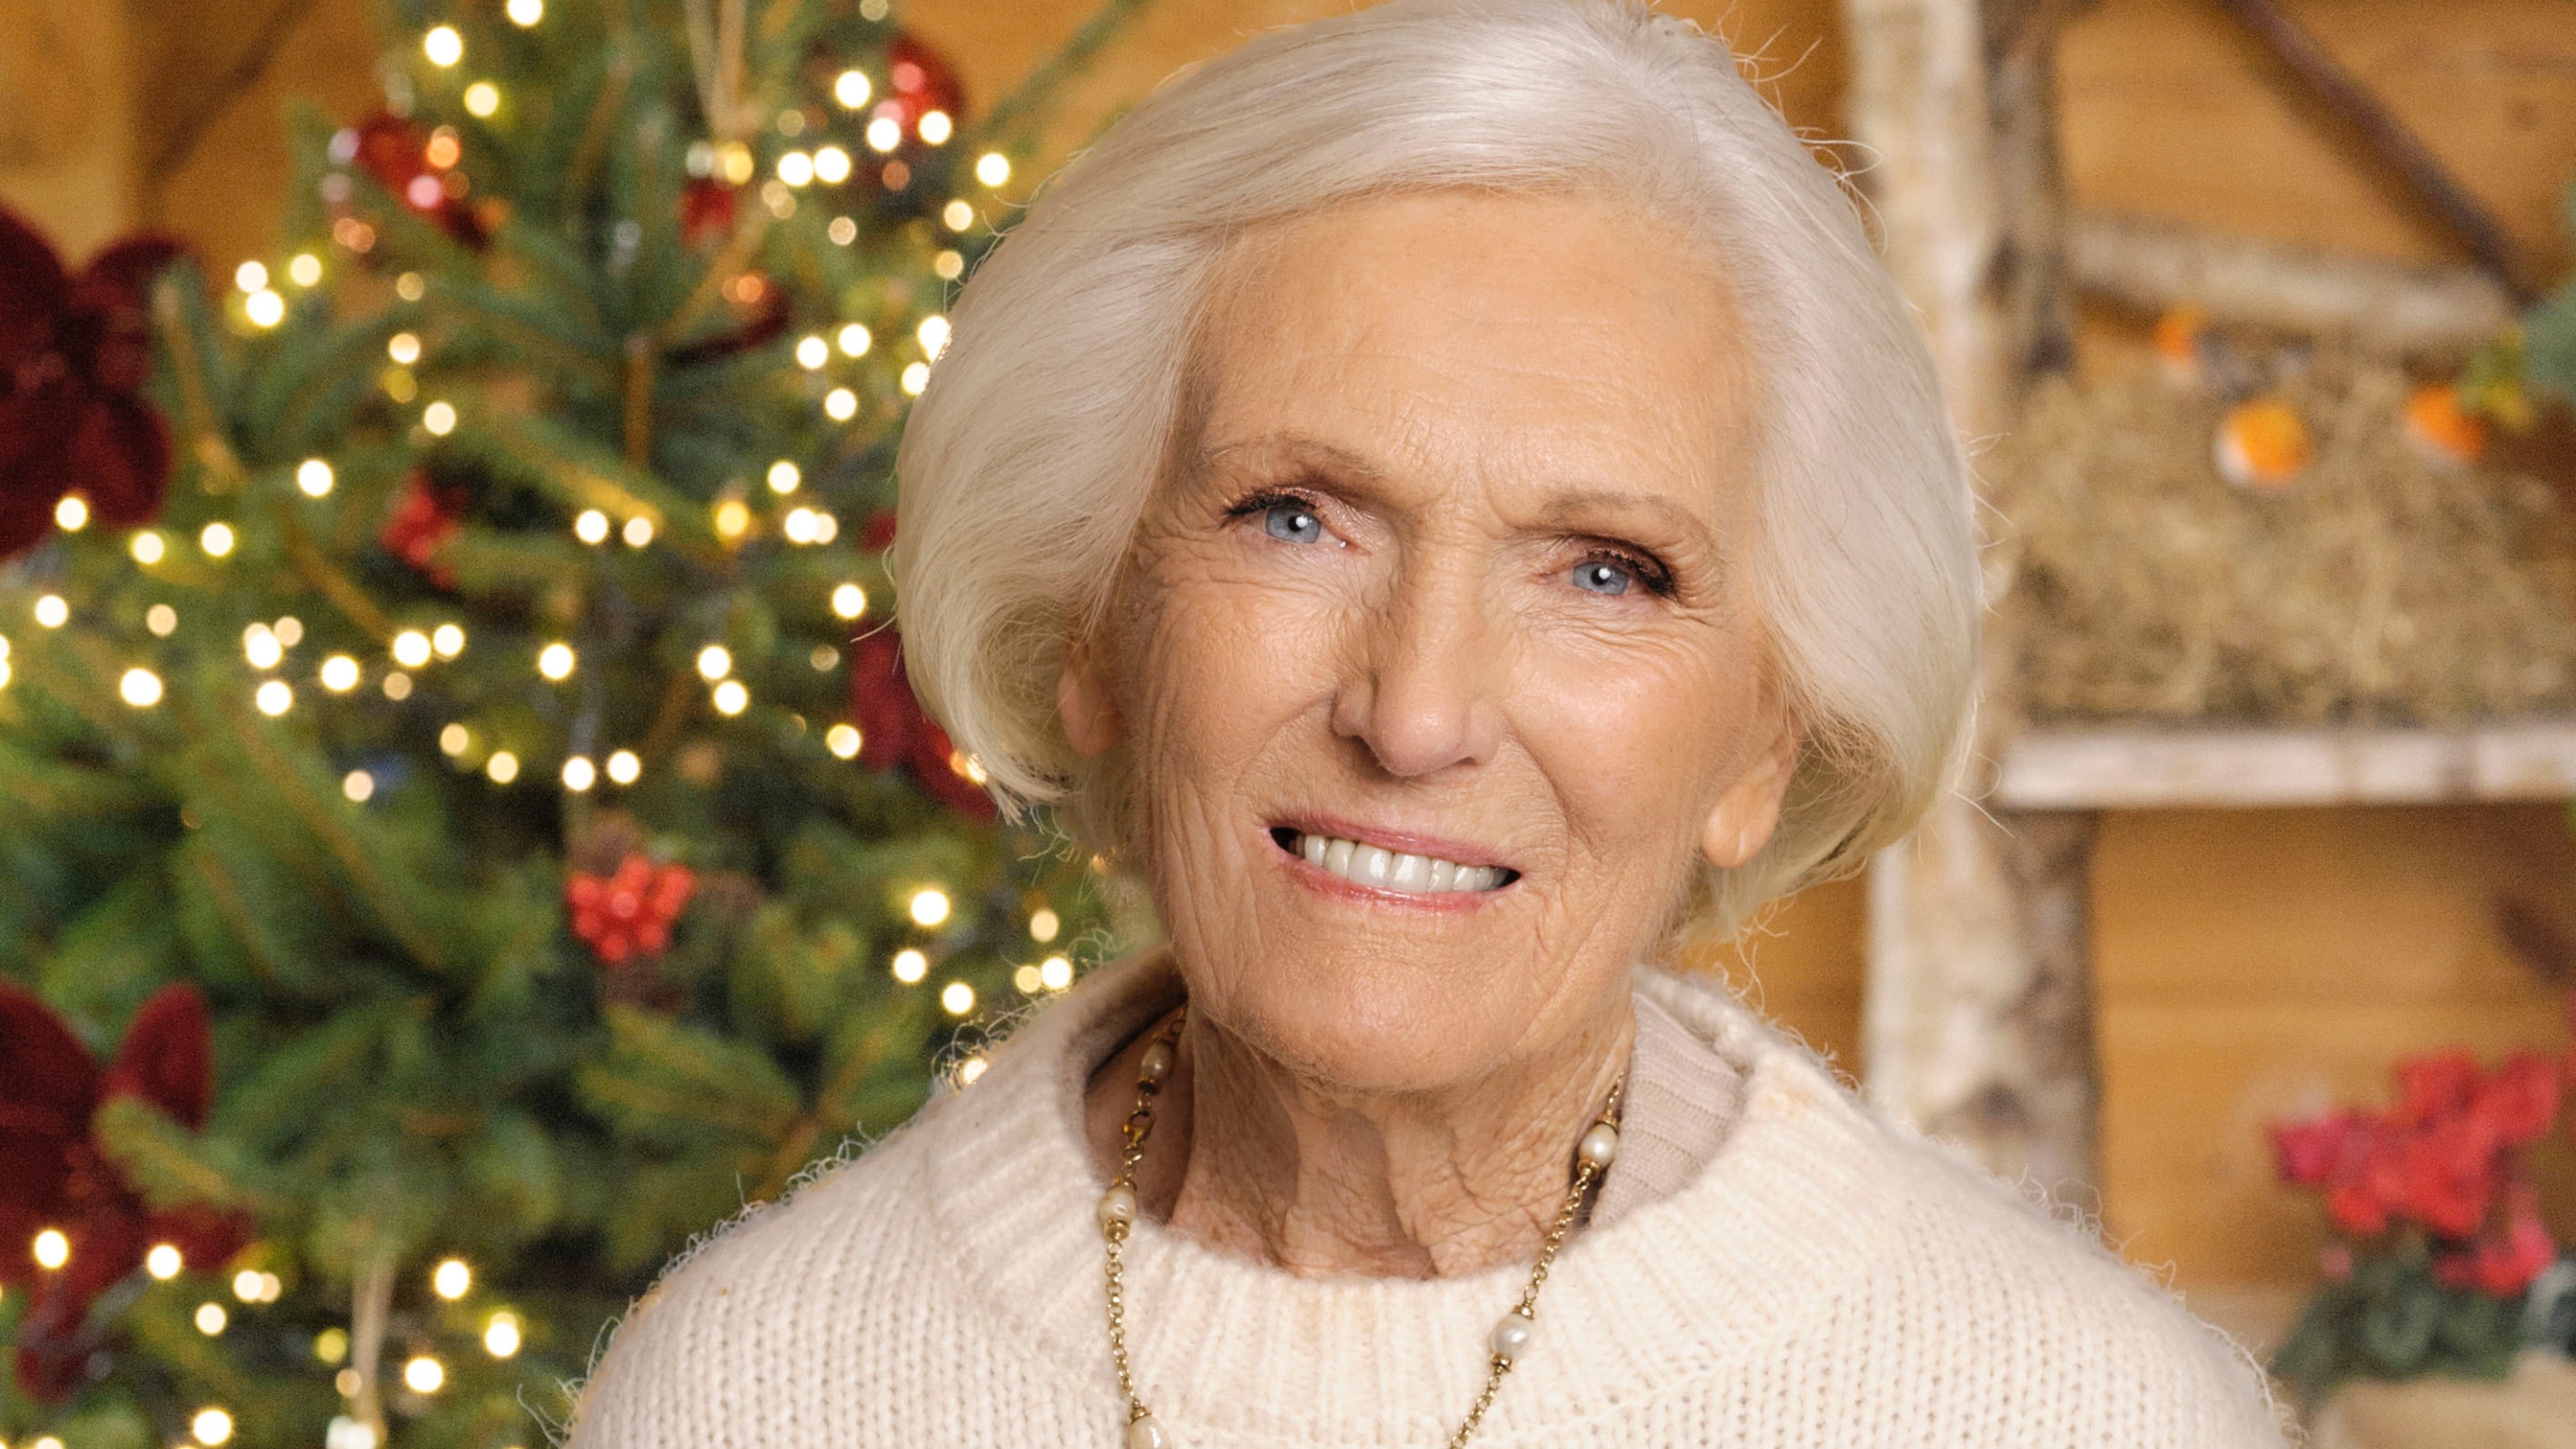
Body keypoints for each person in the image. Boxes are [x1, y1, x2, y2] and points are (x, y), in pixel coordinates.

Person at [567, 2, 2289, 1444]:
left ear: (1766, 740)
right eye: (1297, 516)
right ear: (1090, 613)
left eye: (1607, 571)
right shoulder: (751, 1393)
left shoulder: (2070, 1412)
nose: (1417, 709)